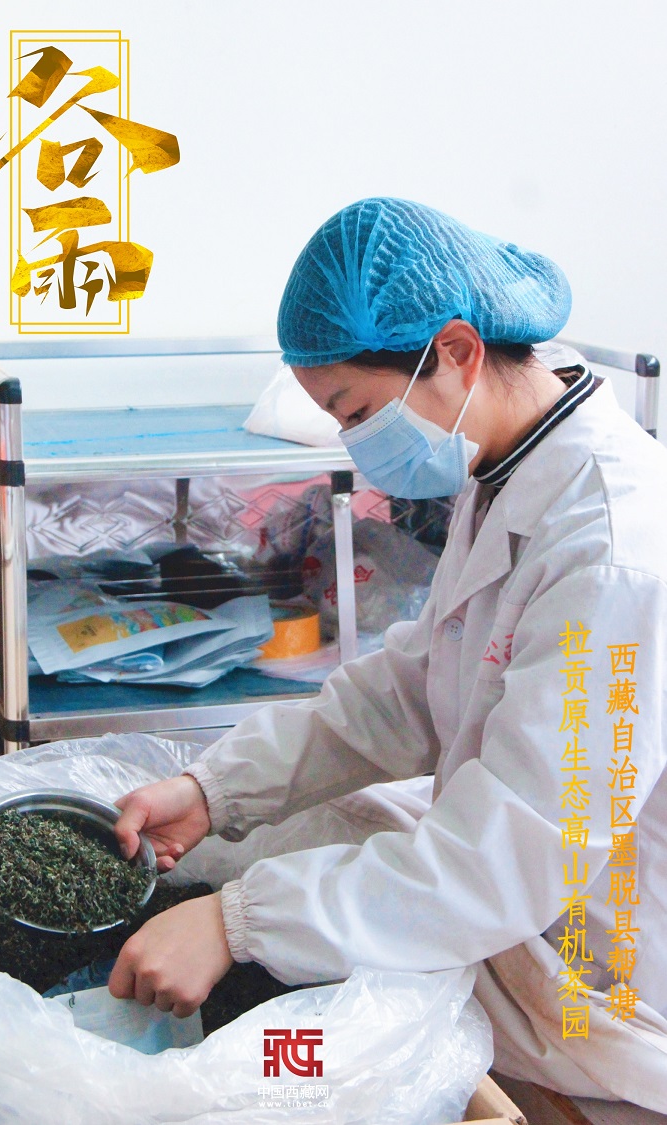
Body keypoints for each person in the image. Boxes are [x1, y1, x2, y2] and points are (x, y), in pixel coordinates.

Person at [110, 199, 667, 1106]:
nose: (356, 447)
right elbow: (410, 686)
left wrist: (236, 925)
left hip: (593, 974)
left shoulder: (613, 548)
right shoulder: (510, 467)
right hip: (512, 902)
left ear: (457, 351)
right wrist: (215, 791)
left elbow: (512, 855)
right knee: (298, 862)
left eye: (357, 411)